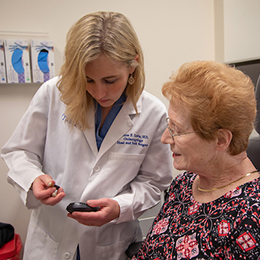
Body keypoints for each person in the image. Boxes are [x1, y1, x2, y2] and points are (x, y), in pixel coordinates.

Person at [1, 11, 173, 260]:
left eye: (110, 80)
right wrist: (33, 179)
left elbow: (154, 183)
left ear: (133, 64)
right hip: (52, 238)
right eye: (88, 79)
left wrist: (119, 208)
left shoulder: (152, 112)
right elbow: (19, 151)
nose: (99, 91)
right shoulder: (53, 94)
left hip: (110, 243)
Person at [133, 60, 260, 259]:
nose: (165, 138)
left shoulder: (251, 218)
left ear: (220, 140)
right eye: (169, 125)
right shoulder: (184, 185)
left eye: (177, 130)